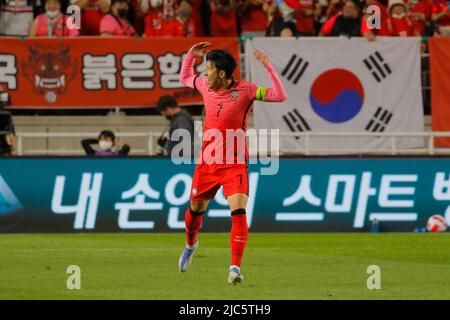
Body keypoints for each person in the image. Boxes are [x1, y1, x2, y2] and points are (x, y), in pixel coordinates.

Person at [178, 42, 287, 284]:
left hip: (234, 165)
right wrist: (190, 56)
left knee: (238, 212)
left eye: (208, 68)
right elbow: (185, 77)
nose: (204, 73)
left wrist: (268, 66)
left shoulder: (246, 91)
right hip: (207, 163)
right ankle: (190, 244)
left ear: (222, 74)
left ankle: (235, 268)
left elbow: (279, 95)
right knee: (195, 212)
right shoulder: (205, 85)